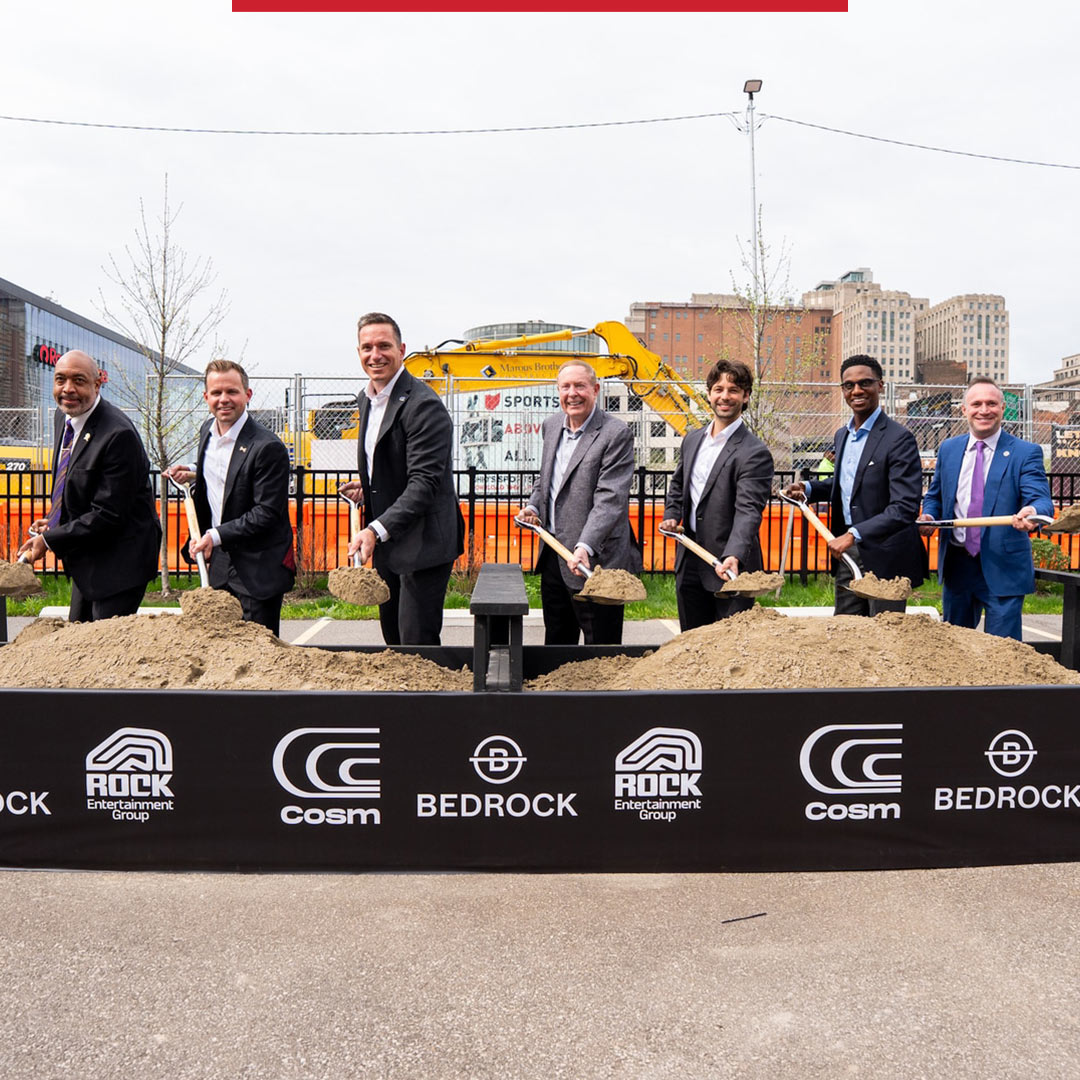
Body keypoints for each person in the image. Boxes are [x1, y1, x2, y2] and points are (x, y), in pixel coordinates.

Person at [341, 312, 464, 646]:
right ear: (358, 352)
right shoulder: (367, 400)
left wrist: (373, 530)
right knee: (393, 639)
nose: (375, 355)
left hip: (424, 543)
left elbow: (425, 483)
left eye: (384, 346)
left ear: (401, 349)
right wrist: (370, 486)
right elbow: (394, 461)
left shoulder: (424, 405)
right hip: (389, 540)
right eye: (367, 347)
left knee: (416, 643)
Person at [17, 349, 161, 621]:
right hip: (87, 556)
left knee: (103, 643)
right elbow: (77, 480)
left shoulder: (118, 435)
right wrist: (56, 520)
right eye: (60, 379)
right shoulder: (65, 416)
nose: (68, 389)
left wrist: (48, 540)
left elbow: (108, 514)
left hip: (120, 563)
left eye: (79, 380)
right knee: (78, 632)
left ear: (97, 384)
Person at [783, 354, 926, 615]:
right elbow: (849, 484)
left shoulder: (899, 439)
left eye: (865, 383)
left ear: (880, 386)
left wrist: (852, 535)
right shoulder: (843, 435)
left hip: (885, 556)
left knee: (885, 631)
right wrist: (808, 489)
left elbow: (904, 506)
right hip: (848, 552)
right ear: (843, 390)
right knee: (846, 628)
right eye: (849, 385)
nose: (857, 390)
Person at [164, 360, 296, 635]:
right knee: (219, 646)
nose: (223, 399)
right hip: (221, 563)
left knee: (257, 651)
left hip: (258, 568)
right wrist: (193, 471)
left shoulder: (267, 447)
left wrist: (213, 536)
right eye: (216, 392)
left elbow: (266, 513)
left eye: (232, 392)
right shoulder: (207, 431)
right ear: (206, 397)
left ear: (247, 395)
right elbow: (227, 469)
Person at [919, 376, 1052, 640]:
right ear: (964, 410)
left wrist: (1032, 513)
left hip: (1004, 567)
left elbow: (1040, 498)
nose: (984, 410)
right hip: (957, 565)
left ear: (1002, 408)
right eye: (976, 404)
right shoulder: (949, 449)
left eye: (991, 403)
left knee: (1003, 652)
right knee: (955, 648)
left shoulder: (1025, 452)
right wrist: (930, 515)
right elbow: (936, 496)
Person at [518, 360, 640, 645]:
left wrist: (585, 546)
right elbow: (547, 480)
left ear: (595, 390)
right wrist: (534, 507)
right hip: (554, 555)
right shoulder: (551, 426)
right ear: (558, 391)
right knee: (557, 645)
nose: (572, 393)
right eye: (565, 387)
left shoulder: (615, 433)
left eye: (580, 386)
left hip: (597, 562)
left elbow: (610, 499)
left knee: (601, 649)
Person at [659, 359, 774, 631]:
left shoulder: (754, 452)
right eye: (718, 389)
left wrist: (734, 554)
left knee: (729, 647)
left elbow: (748, 511)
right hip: (689, 560)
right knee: (692, 643)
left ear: (746, 396)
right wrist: (672, 514)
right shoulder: (692, 440)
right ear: (709, 394)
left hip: (729, 567)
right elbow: (678, 485)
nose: (725, 396)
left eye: (734, 390)